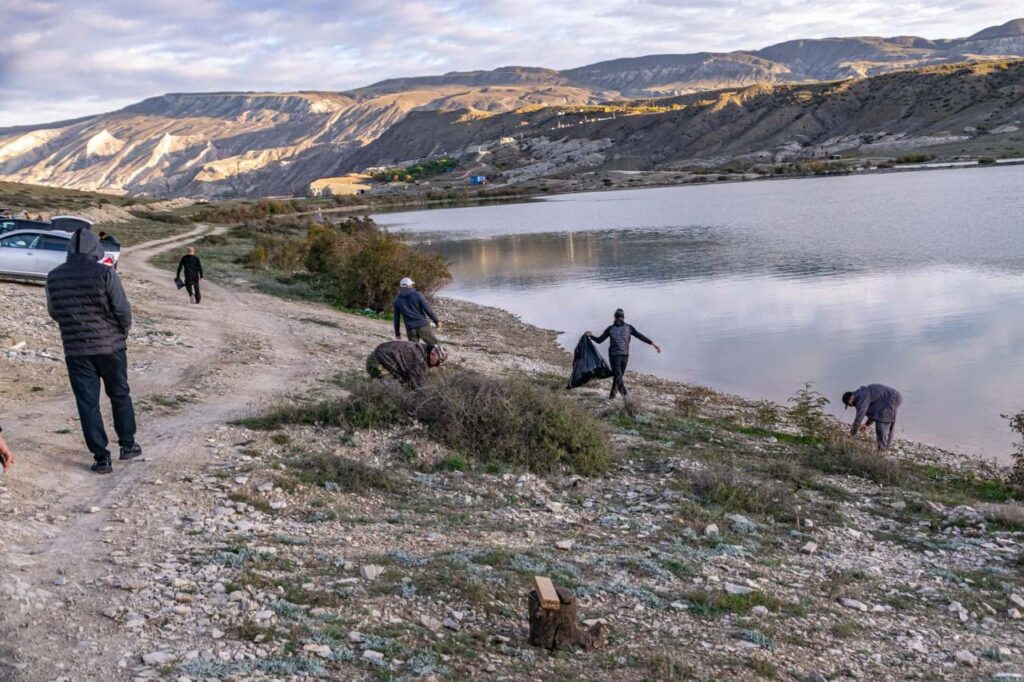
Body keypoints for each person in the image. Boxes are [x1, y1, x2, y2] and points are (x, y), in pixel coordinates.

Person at [46, 227, 141, 474]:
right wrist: (122, 331)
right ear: (95, 249)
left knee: (87, 404)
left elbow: (54, 312)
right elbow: (122, 309)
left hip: (76, 350)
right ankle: (128, 445)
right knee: (119, 394)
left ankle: (101, 458)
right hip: (111, 347)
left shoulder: (54, 276)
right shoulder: (105, 273)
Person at [586, 308, 661, 399]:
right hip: (625, 355)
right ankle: (617, 398)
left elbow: (599, 340)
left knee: (618, 376)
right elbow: (640, 336)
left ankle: (625, 399)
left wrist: (591, 336)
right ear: (623, 317)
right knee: (618, 376)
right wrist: (653, 344)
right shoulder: (629, 327)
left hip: (614, 355)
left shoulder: (610, 328)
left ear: (615, 317)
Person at [842, 384, 903, 450]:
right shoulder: (861, 394)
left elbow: (859, 417)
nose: (851, 406)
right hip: (888, 398)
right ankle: (883, 450)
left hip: (892, 398)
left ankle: (882, 451)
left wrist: (851, 435)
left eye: (849, 404)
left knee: (882, 425)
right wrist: (867, 424)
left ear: (850, 399)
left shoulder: (862, 398)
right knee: (881, 418)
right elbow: (875, 411)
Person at [366, 340, 447, 389]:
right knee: (395, 391)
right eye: (437, 362)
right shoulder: (418, 358)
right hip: (375, 363)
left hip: (382, 356)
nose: (436, 365)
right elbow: (420, 387)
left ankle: (379, 379)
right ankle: (376, 382)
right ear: (432, 353)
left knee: (404, 381)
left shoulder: (421, 349)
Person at [393, 277, 440, 344]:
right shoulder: (417, 295)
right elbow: (427, 309)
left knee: (414, 349)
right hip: (422, 325)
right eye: (411, 284)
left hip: (410, 329)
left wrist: (397, 333)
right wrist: (436, 321)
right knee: (434, 345)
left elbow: (396, 319)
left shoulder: (397, 300)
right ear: (409, 285)